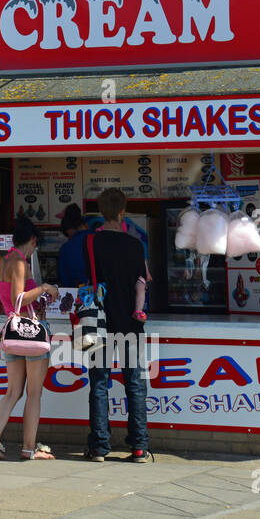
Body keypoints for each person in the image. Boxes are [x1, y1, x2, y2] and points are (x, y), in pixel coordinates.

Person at [84, 187, 152, 463]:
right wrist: (138, 309)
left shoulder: (90, 242)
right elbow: (142, 282)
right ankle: (139, 447)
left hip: (98, 324)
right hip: (130, 325)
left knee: (99, 384)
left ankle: (99, 447)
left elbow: (84, 282)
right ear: (123, 212)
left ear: (102, 213)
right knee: (134, 384)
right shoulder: (135, 245)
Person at [0, 217, 59, 461]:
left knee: (13, 391)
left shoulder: (5, 261)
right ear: (33, 240)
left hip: (13, 333)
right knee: (33, 393)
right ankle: (28, 448)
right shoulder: (19, 262)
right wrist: (44, 287)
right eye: (36, 245)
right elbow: (20, 298)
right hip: (31, 335)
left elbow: (10, 300)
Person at [55, 204, 92, 288]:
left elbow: (64, 280)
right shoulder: (99, 238)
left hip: (78, 295)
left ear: (69, 230)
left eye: (68, 236)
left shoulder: (66, 248)